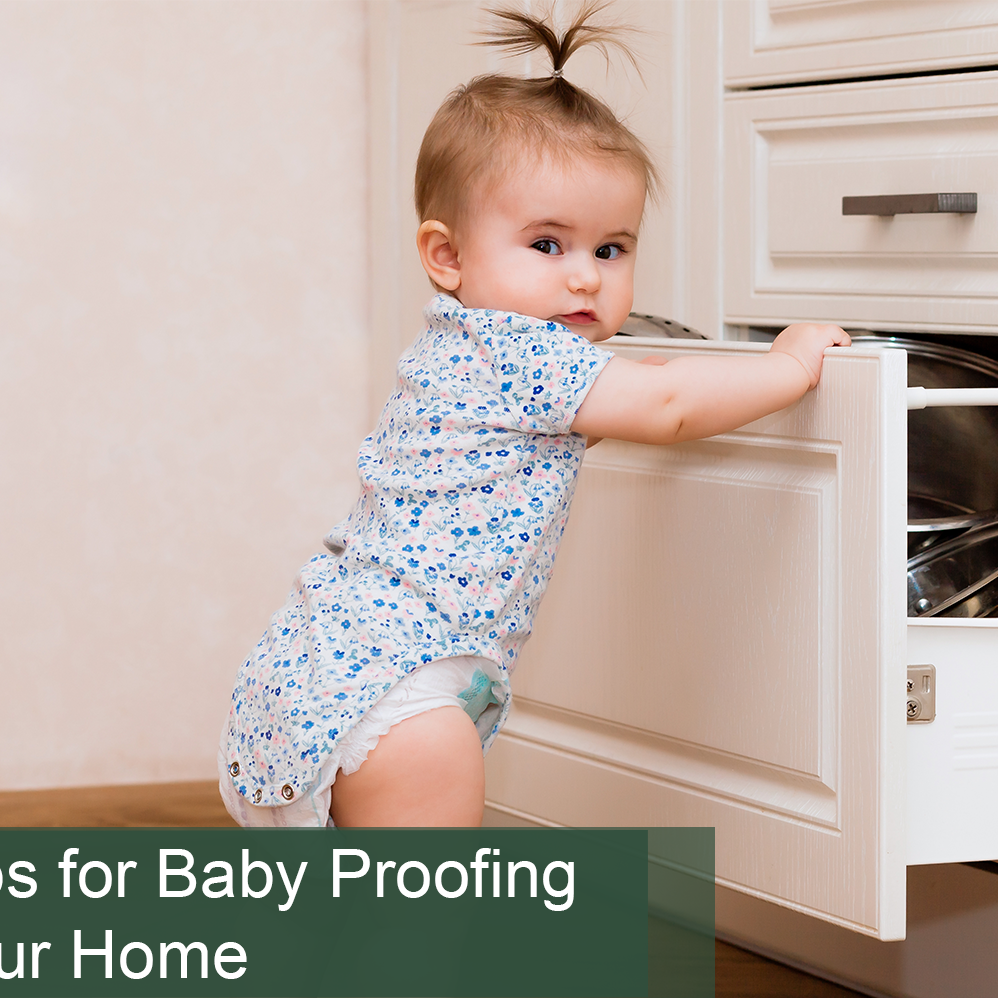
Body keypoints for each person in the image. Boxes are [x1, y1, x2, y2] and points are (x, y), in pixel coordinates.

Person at [219, 3, 850, 829]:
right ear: (446, 255)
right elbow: (664, 406)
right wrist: (788, 365)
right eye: (548, 245)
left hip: (320, 663)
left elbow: (618, 392)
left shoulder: (460, 343)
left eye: (610, 248)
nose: (585, 279)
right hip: (402, 687)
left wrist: (645, 373)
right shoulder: (526, 352)